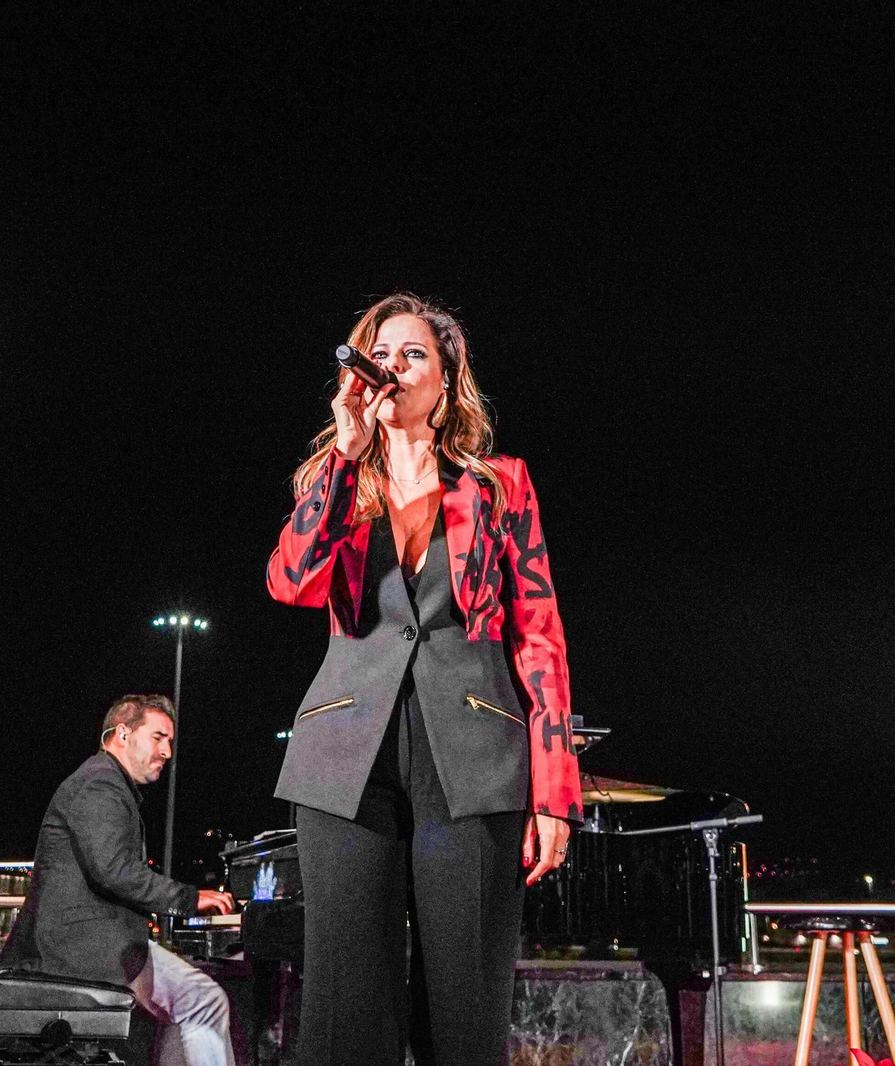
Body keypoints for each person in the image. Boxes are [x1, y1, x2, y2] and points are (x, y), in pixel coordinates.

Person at [267, 293, 581, 1066]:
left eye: (414, 355)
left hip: (474, 756)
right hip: (345, 755)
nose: (394, 368)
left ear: (447, 380)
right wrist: (345, 450)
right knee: (345, 1011)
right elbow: (290, 580)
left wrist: (555, 792)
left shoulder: (500, 484)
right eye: (383, 353)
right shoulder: (333, 477)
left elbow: (539, 634)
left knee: (466, 1009)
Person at [1, 695, 238, 1066]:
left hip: (88, 941)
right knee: (202, 1001)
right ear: (123, 734)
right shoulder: (100, 783)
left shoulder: (104, 781)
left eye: (170, 741)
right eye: (158, 737)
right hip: (80, 951)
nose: (167, 752)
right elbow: (115, 870)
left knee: (193, 1001)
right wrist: (188, 899)